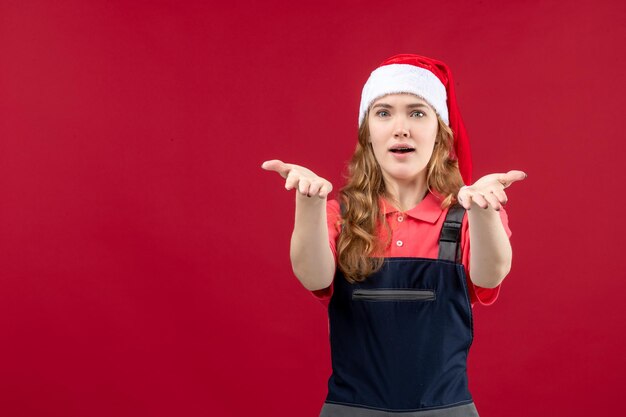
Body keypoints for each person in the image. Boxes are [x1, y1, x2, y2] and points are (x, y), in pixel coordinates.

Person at [262, 53, 526, 417]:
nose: (400, 127)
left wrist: (483, 212)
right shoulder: (340, 217)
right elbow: (313, 275)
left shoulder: (465, 218)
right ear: (368, 133)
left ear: (440, 133)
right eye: (383, 112)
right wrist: (309, 204)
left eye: (417, 112)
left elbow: (490, 274)